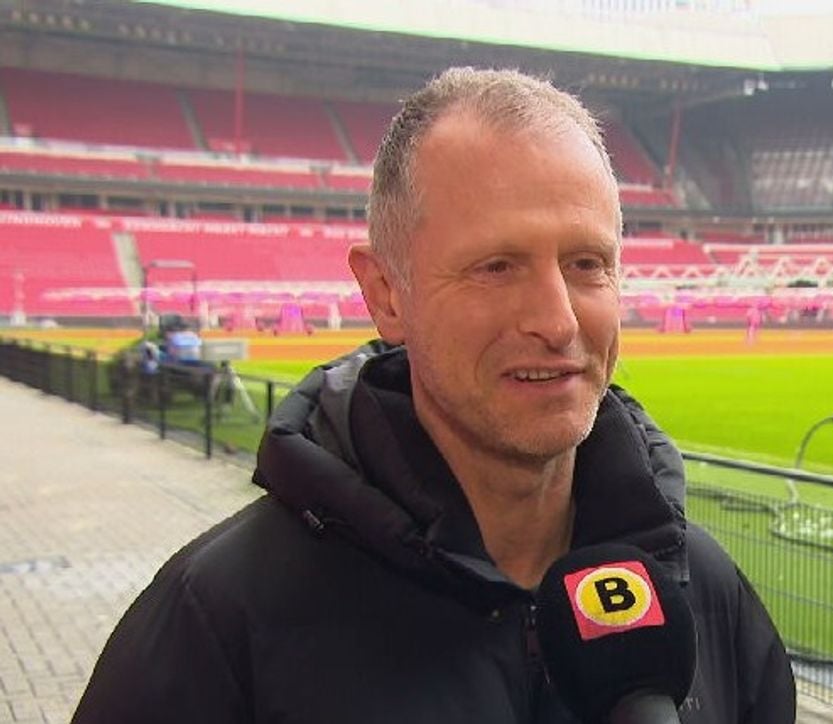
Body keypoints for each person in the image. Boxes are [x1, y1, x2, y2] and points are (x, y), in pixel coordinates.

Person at [72, 68, 795, 723]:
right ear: (386, 293)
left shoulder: (703, 590)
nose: (557, 319)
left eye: (586, 263)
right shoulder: (221, 622)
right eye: (496, 266)